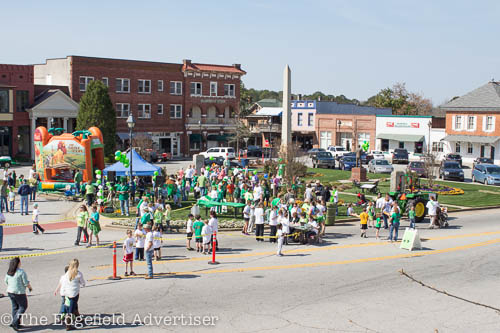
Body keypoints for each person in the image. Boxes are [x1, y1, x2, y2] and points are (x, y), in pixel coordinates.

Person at [5, 257, 32, 331]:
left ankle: (16, 323)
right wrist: (30, 288)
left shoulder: (9, 271)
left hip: (10, 292)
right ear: (18, 263)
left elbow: (6, 281)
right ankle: (14, 322)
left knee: (15, 307)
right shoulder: (21, 272)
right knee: (23, 306)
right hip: (19, 292)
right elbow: (26, 282)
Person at [59, 259, 85, 329]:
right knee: (71, 310)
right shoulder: (79, 273)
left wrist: (63, 293)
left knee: (74, 306)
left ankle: (79, 318)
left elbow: (63, 282)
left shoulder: (66, 274)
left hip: (67, 293)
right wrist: (79, 283)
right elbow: (83, 284)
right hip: (74, 294)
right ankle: (68, 326)